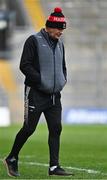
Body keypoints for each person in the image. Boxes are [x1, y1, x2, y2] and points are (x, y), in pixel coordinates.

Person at [4, 7, 74, 177]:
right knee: (29, 128)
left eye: (62, 29)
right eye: (58, 28)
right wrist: (42, 80)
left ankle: (54, 167)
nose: (60, 32)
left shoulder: (60, 45)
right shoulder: (33, 40)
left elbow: (63, 67)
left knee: (56, 128)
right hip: (36, 93)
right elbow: (25, 65)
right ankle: (12, 158)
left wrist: (62, 80)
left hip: (54, 96)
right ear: (49, 26)